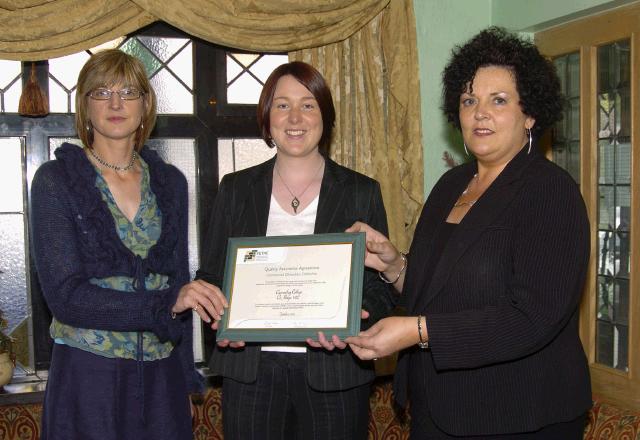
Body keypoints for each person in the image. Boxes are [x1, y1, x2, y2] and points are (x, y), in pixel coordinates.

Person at [345, 27, 592, 439]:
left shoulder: (550, 191)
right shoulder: (450, 186)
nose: (480, 113)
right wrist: (395, 265)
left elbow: (532, 318)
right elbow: (438, 290)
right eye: (469, 100)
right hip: (436, 408)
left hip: (519, 414)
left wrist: (417, 331)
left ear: (529, 113)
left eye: (498, 100)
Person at [30, 49, 226, 440]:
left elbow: (179, 280)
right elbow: (66, 298)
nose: (116, 103)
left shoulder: (171, 182)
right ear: (84, 105)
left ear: (145, 105)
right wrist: (166, 301)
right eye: (102, 92)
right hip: (88, 378)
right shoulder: (55, 180)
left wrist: (185, 379)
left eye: (129, 92)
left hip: (162, 378)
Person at [195, 61, 395, 439]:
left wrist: (356, 318)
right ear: (267, 116)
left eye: (308, 104)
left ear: (325, 115)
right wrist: (221, 320)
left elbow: (380, 287)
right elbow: (210, 276)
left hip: (335, 373)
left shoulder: (360, 191)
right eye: (282, 105)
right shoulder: (235, 189)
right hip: (251, 374)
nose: (295, 118)